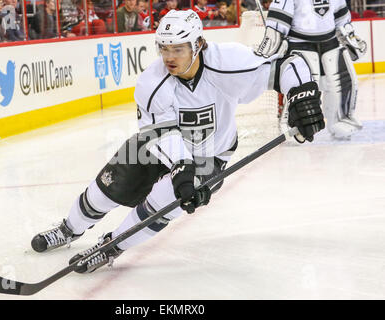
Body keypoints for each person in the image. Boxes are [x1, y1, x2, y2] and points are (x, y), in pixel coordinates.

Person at [31, 9, 324, 274]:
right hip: (158, 147)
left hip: (211, 154)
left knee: (167, 202)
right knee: (107, 189)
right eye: (164, 49)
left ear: (198, 44)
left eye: (178, 49)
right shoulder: (152, 82)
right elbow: (163, 134)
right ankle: (69, 229)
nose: (170, 57)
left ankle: (112, 245)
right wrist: (181, 168)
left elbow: (289, 64)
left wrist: (303, 95)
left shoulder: (228, 63)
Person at [256, 0, 366, 140]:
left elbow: (341, 19)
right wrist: (267, 51)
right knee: (302, 88)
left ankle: (341, 119)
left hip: (331, 43)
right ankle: (294, 124)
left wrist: (350, 37)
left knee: (340, 84)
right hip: (301, 45)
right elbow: (277, 26)